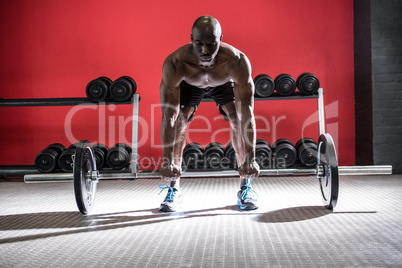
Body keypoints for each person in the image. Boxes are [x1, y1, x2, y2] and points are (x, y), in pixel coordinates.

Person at [159, 15, 260, 212]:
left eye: (211, 44)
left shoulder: (237, 62)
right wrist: (166, 160)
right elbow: (168, 116)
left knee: (238, 119)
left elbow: (247, 114)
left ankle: (246, 187)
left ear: (220, 39)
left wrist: (252, 158)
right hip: (190, 83)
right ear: (191, 39)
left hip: (223, 83)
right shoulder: (175, 63)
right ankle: (174, 188)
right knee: (179, 121)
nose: (205, 50)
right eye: (199, 44)